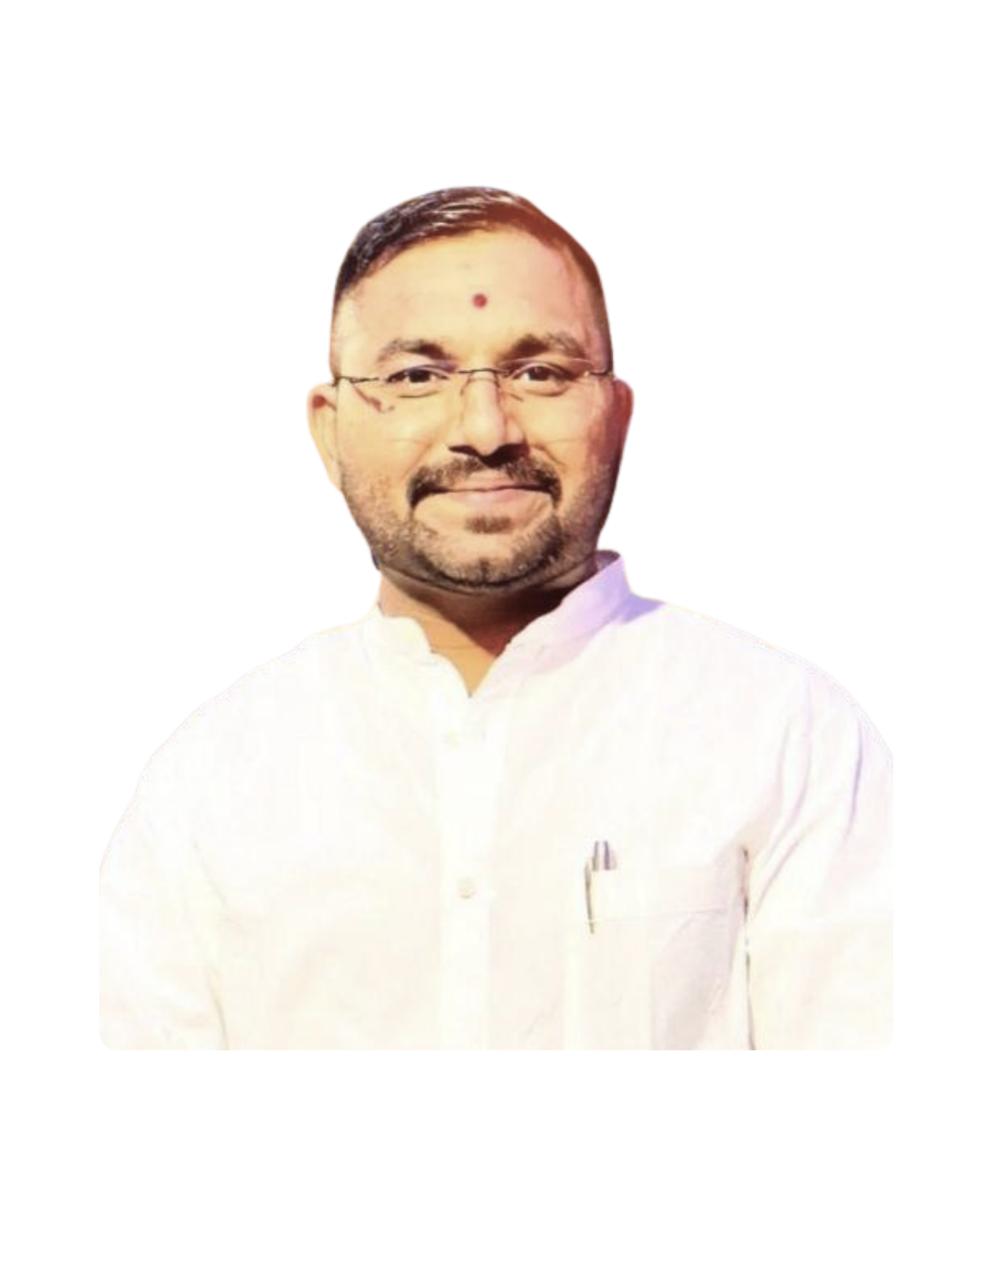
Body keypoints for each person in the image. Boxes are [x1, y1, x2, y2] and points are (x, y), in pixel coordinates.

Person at [99, 186, 892, 1050]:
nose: (484, 429)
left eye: (539, 373)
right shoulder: (211, 781)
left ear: (616, 415)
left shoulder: (787, 737)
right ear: (329, 432)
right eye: (416, 377)